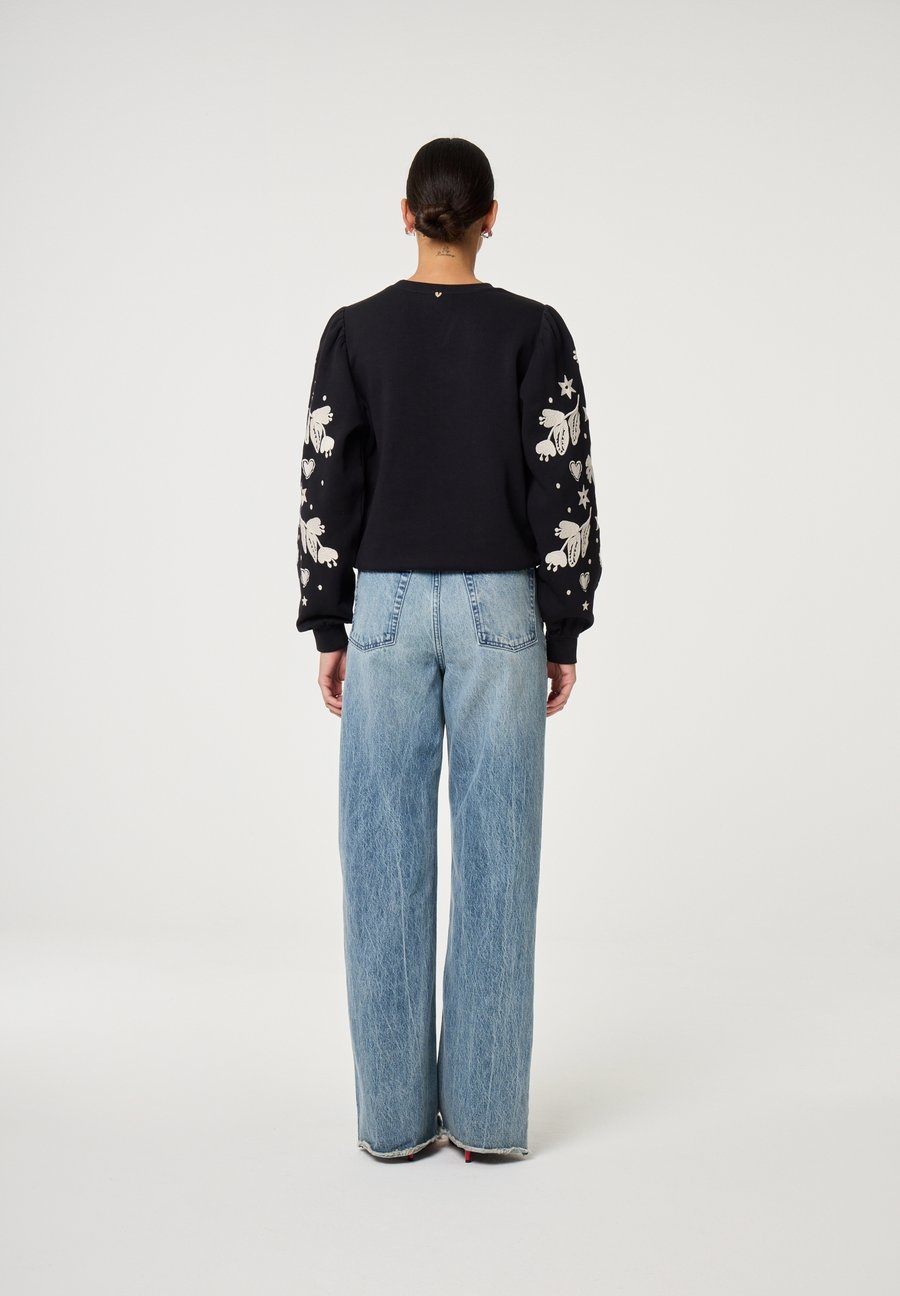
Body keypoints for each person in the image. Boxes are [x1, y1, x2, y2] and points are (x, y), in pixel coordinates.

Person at [295, 137, 602, 1162]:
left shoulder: (355, 331)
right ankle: (486, 1120)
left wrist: (331, 622)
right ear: (490, 218)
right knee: (499, 862)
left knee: (381, 862)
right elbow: (562, 478)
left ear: (406, 214)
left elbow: (327, 477)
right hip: (501, 609)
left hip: (383, 607)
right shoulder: (533, 330)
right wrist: (563, 623)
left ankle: (392, 1124)